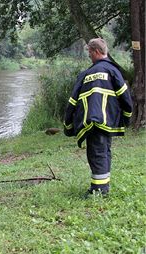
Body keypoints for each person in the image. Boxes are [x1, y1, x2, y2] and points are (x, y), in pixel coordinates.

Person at [63, 38, 133, 196]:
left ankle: (99, 191)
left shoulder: (86, 74)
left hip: (92, 123)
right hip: (108, 123)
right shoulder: (114, 71)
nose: (89, 56)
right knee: (104, 152)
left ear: (95, 52)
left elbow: (72, 103)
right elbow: (126, 98)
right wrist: (126, 119)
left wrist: (68, 127)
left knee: (96, 154)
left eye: (89, 52)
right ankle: (103, 186)